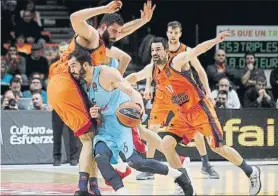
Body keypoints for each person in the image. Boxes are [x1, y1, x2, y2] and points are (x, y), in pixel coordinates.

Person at [125, 33, 262, 195]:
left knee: (219, 148)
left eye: (158, 50)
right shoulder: (152, 70)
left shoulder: (176, 62)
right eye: (153, 50)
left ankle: (251, 171)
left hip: (200, 109)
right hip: (183, 115)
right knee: (167, 144)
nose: (154, 53)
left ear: (166, 51)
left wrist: (215, 40)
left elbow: (197, 50)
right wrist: (116, 83)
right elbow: (135, 76)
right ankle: (183, 183)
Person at [47, 1, 156, 195]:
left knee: (94, 135)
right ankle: (83, 189)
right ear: (103, 27)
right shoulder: (92, 36)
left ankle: (93, 187)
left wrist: (142, 20)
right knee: (90, 139)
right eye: (113, 31)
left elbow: (122, 31)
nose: (117, 35)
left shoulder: (104, 41)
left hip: (60, 87)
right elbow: (74, 18)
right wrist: (104, 9)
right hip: (67, 84)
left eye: (117, 32)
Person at [68, 48, 195, 195]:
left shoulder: (105, 73)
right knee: (101, 158)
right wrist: (94, 113)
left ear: (84, 65)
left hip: (123, 124)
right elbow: (95, 110)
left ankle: (179, 175)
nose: (71, 70)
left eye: (73, 65)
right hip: (105, 128)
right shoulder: (81, 85)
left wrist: (139, 108)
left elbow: (131, 91)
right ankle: (122, 191)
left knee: (137, 163)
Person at [140, 21, 219, 180]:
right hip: (163, 94)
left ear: (180, 34)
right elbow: (151, 68)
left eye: (176, 33)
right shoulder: (160, 48)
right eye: (170, 32)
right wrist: (148, 86)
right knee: (152, 128)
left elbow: (200, 71)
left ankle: (205, 163)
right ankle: (149, 167)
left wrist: (208, 91)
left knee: (195, 130)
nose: (173, 35)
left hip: (181, 95)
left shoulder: (185, 51)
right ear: (167, 33)